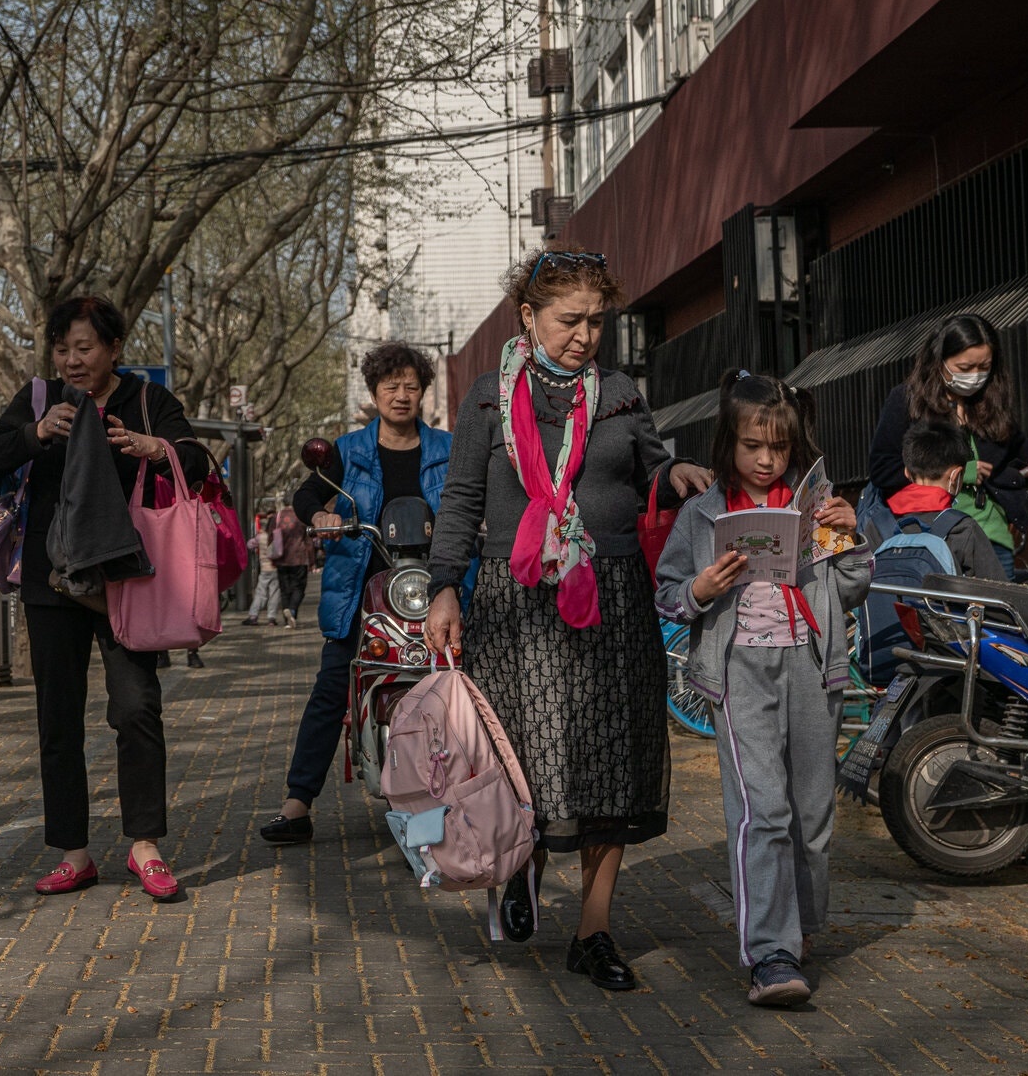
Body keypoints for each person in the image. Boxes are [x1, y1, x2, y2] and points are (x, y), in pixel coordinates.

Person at [422, 252, 713, 992]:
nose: (586, 336)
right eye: (570, 320)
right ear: (529, 316)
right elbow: (459, 501)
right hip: (516, 606)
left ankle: (595, 931)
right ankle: (521, 871)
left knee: (612, 770)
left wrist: (672, 474)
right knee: (531, 761)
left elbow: (652, 466)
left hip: (611, 598)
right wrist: (444, 588)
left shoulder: (618, 392)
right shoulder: (488, 397)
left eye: (597, 322)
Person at [0, 295, 208, 902]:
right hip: (52, 583)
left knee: (136, 709)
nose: (72, 360)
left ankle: (145, 846)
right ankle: (73, 853)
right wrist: (32, 434)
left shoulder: (148, 401)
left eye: (85, 348)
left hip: (129, 581)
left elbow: (197, 462)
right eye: (63, 349)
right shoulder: (38, 397)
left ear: (114, 350)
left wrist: (154, 447)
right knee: (59, 720)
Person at [653, 372, 870, 1008]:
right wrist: (701, 590)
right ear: (730, 443)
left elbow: (851, 587)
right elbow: (667, 591)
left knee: (812, 815)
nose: (767, 458)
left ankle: (799, 929)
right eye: (753, 445)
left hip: (811, 667)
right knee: (764, 812)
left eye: (779, 445)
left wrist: (852, 535)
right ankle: (770, 954)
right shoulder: (702, 514)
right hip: (738, 671)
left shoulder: (815, 504)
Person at [260, 343, 461, 846]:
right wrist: (322, 516)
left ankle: (478, 792)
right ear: (374, 393)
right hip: (361, 591)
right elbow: (306, 495)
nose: (401, 395)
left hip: (432, 587)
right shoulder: (347, 451)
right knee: (332, 687)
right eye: (390, 386)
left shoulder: (447, 448)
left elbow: (469, 495)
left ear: (423, 393)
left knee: (465, 686)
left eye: (411, 386)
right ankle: (297, 803)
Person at [866, 314, 1028, 577]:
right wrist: (958, 471)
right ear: (938, 362)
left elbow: (1016, 446)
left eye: (984, 367)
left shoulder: (990, 403)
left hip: (992, 537)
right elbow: (882, 468)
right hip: (932, 535)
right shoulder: (906, 401)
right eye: (965, 367)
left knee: (996, 615)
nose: (976, 376)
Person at [887, 420, 1009, 581]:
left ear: (907, 473)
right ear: (956, 476)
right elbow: (999, 594)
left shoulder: (881, 523)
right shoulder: (963, 529)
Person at [271, 504, 312, 624]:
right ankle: (292, 610)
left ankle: (286, 614)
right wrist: (312, 560)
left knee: (284, 589)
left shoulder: (277, 517)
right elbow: (308, 540)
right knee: (299, 588)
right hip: (299, 558)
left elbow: (270, 538)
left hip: (282, 558)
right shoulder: (301, 517)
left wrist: (273, 559)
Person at [243, 518, 283, 626]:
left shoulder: (261, 537)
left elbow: (249, 544)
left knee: (260, 593)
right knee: (274, 594)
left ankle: (253, 616)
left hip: (264, 569)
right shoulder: (277, 536)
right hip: (275, 568)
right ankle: (271, 618)